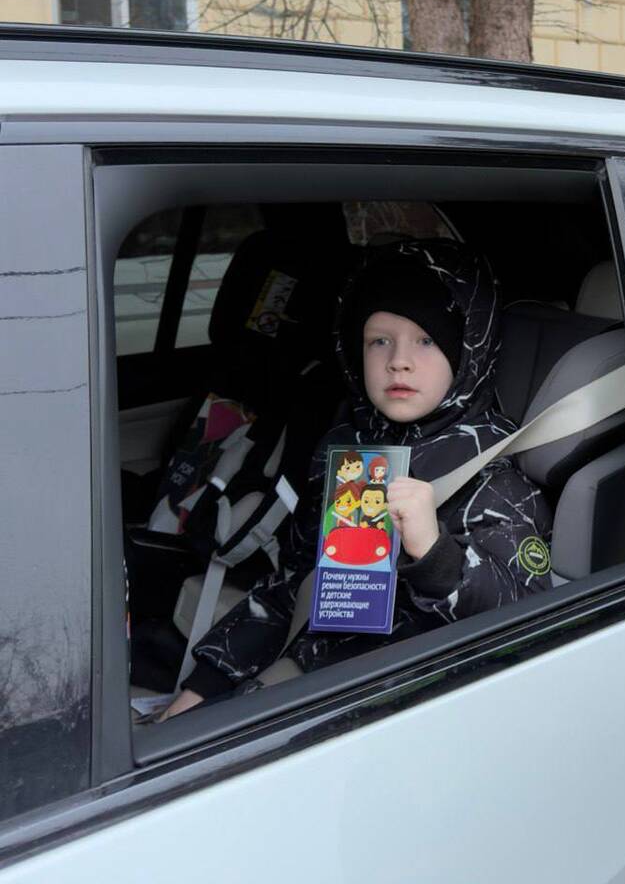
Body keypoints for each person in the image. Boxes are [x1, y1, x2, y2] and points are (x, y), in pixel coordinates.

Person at [159, 238, 553, 719]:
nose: (398, 360)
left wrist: (435, 551)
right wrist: (206, 682)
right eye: (379, 340)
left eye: (426, 340)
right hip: (322, 682)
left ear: (467, 352)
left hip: (414, 707)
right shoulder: (354, 458)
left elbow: (529, 621)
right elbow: (301, 584)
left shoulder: (495, 480)